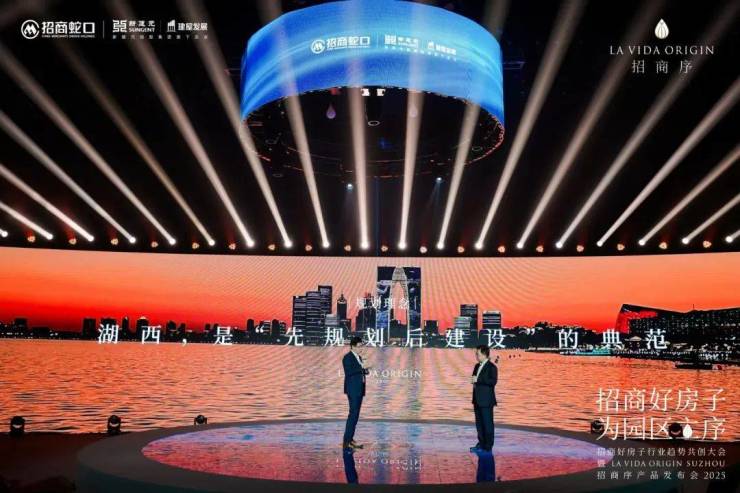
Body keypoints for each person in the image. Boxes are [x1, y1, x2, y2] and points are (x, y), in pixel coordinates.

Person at [342, 336, 370, 450]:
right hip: (353, 389)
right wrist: (362, 369)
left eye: (361, 346)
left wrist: (365, 370)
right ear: (353, 346)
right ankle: (347, 441)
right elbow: (348, 372)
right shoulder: (347, 357)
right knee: (353, 415)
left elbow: (360, 371)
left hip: (359, 389)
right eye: (359, 346)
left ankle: (350, 439)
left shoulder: (359, 357)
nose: (361, 348)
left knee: (356, 415)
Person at [470, 344, 498, 452]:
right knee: (479, 424)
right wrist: (474, 381)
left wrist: (478, 380)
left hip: (486, 401)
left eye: (478, 354)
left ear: (484, 354)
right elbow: (474, 379)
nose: (476, 356)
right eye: (476, 354)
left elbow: (493, 382)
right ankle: (481, 444)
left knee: (487, 424)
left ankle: (488, 446)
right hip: (477, 399)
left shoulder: (492, 367)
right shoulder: (477, 366)